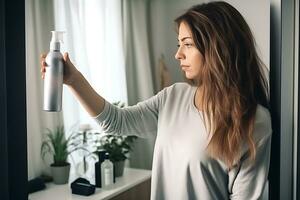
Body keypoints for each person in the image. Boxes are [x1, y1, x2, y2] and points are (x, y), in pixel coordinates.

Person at [41, 1, 272, 199]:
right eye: (178, 43)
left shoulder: (255, 121)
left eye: (188, 44)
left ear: (219, 48)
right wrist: (73, 80)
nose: (178, 54)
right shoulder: (173, 97)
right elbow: (115, 122)